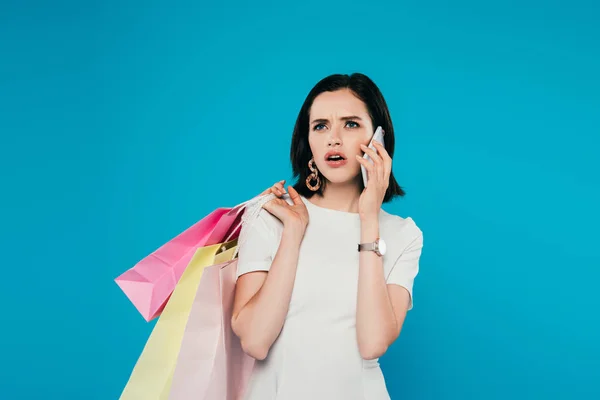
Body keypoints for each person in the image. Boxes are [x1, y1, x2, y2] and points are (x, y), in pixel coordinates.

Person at [231, 73, 424, 400]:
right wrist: (293, 234)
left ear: (378, 138)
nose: (334, 139)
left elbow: (373, 342)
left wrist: (368, 220)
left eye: (350, 124)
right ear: (308, 142)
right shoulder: (271, 216)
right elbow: (255, 340)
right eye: (320, 126)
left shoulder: (403, 233)